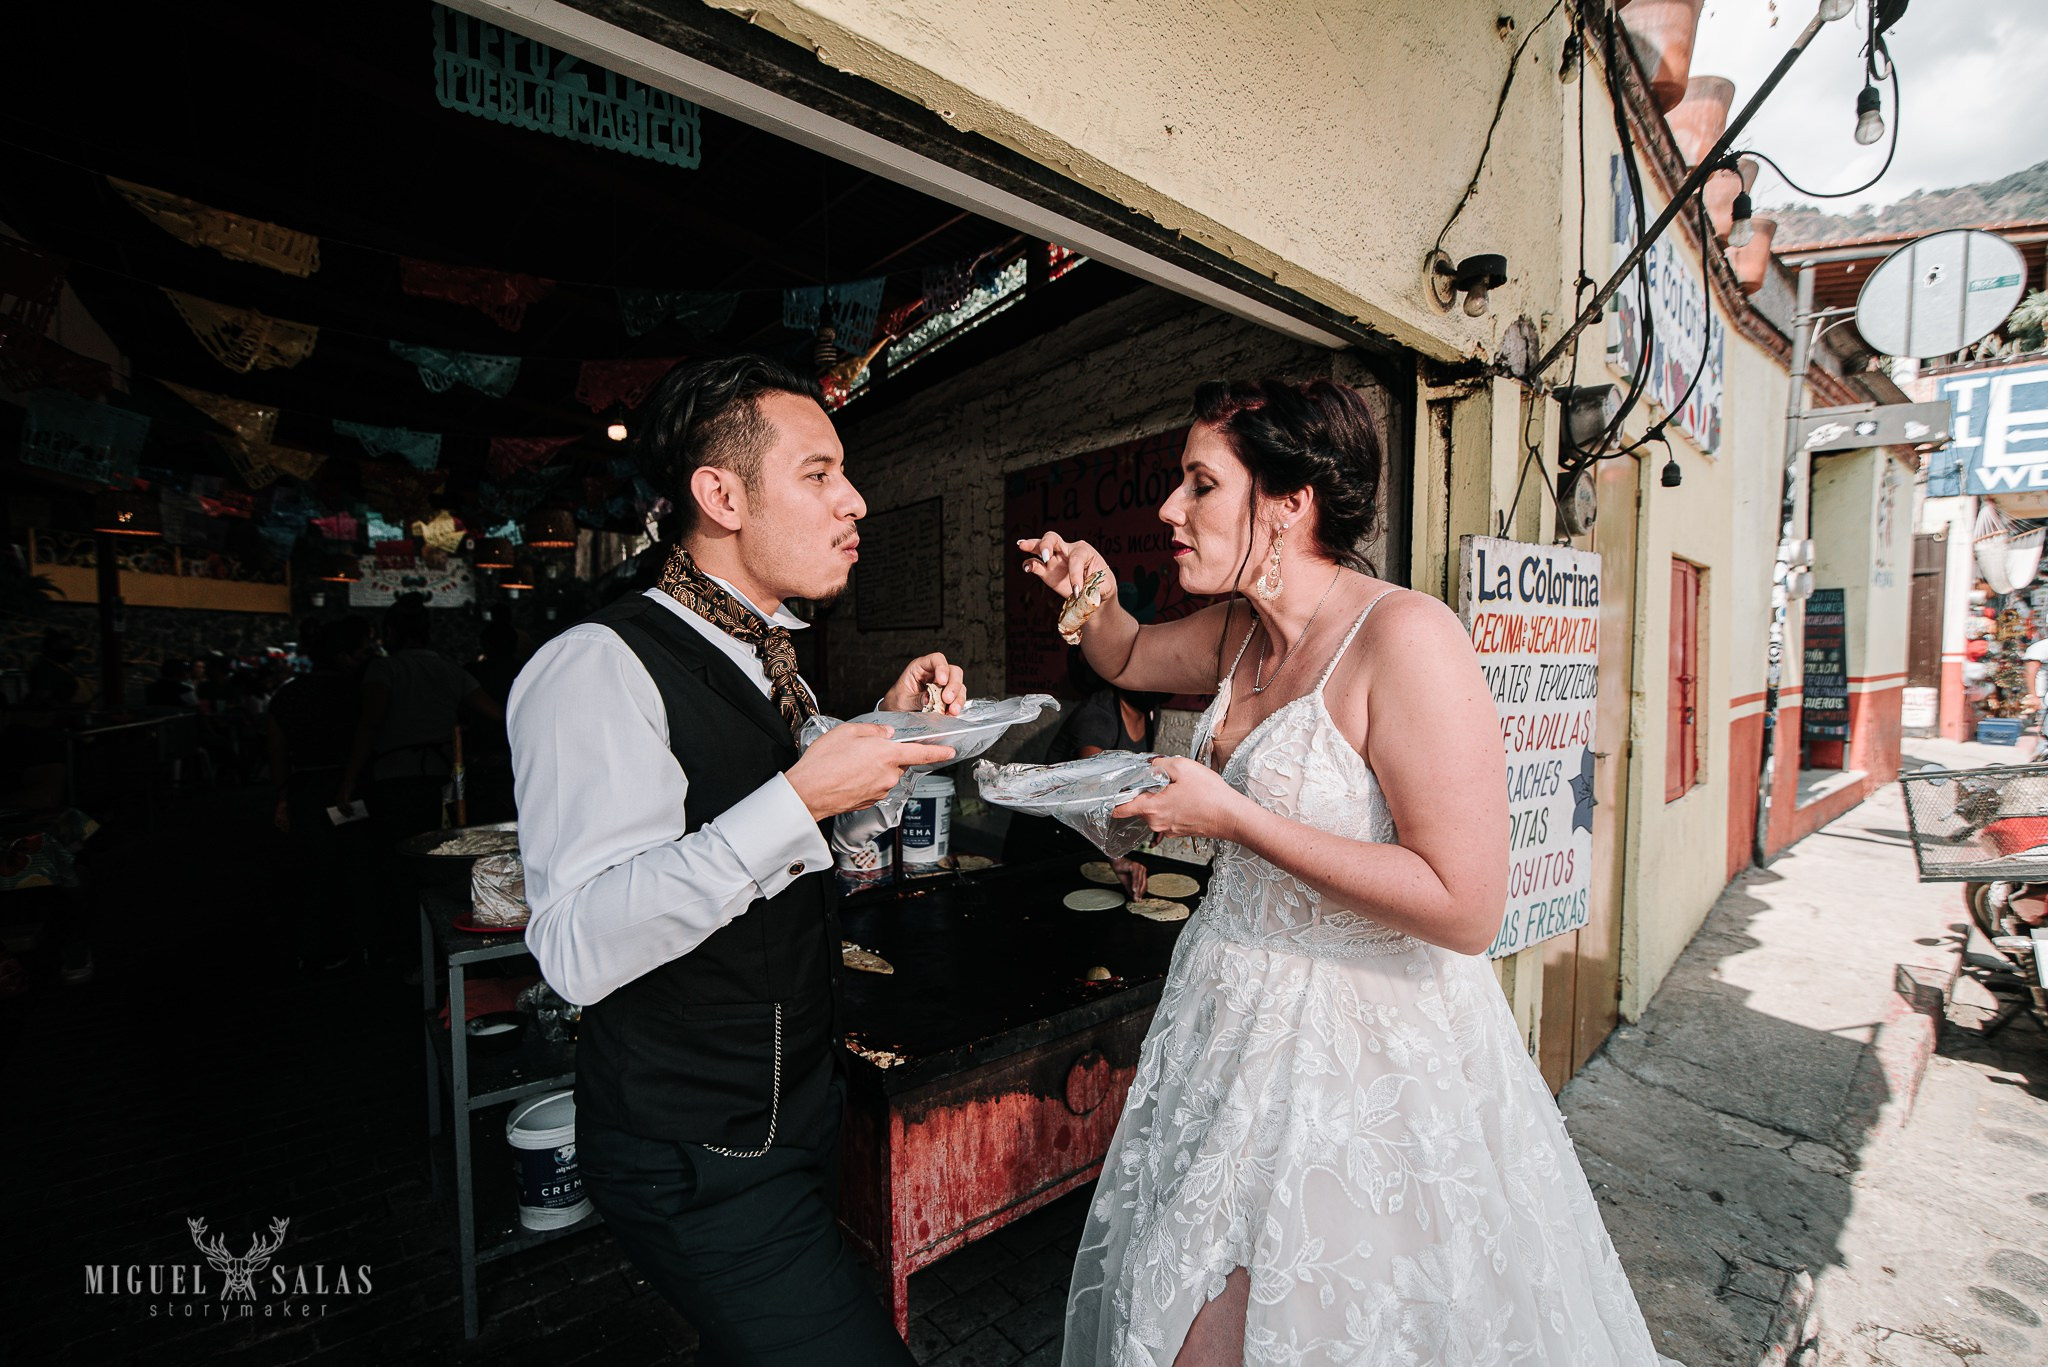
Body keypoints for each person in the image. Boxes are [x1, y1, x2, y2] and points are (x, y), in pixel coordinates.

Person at [1028, 378, 1657, 1366]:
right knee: (1173, 1303)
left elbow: (1464, 905)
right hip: (1224, 1021)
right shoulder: (1237, 631)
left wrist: (1234, 816)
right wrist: (1087, 591)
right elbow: (1129, 656)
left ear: (1287, 502)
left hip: (1358, 1049)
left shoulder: (1405, 638)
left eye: (1199, 484)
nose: (1167, 511)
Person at [511, 355, 966, 1365]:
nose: (853, 500)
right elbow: (577, 947)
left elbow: (786, 855)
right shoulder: (595, 667)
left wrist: (876, 753)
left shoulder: (763, 661)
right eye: (817, 472)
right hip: (693, 1148)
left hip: (788, 1111)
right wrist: (800, 792)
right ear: (720, 496)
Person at [335, 596, 502, 840]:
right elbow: (499, 714)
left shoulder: (384, 669)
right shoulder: (450, 670)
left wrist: (348, 781)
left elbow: (370, 724)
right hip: (440, 774)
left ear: (390, 632)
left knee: (399, 847)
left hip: (395, 776)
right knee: (437, 843)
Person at [1003, 649, 1166, 895]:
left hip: (1085, 835)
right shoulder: (1097, 716)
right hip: (1046, 837)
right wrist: (1117, 856)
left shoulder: (1150, 713)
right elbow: (1093, 788)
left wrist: (1152, 814)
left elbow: (1132, 777)